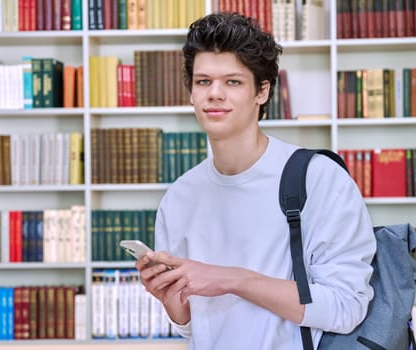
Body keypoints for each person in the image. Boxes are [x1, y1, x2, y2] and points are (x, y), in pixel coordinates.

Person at [135, 11, 377, 349]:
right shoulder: (179, 198)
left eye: (232, 81)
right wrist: (171, 301)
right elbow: (193, 329)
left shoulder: (318, 179)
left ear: (261, 91)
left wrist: (231, 279)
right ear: (191, 92)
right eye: (203, 81)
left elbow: (346, 307)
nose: (214, 94)